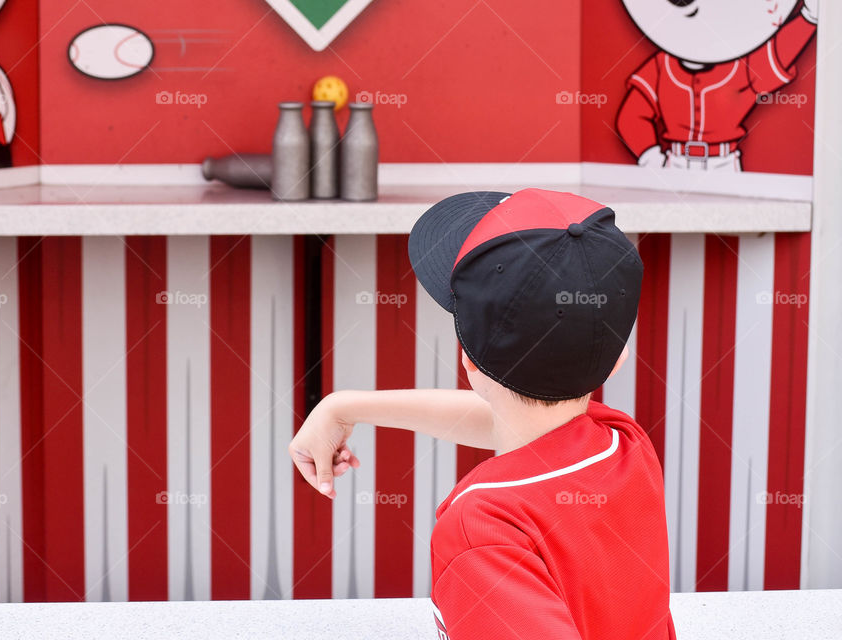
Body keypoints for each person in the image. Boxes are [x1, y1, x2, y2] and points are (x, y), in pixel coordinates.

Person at [289, 188, 675, 639]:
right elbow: (512, 422)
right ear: (617, 358)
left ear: (468, 363)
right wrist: (344, 406)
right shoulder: (622, 443)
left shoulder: (484, 528)